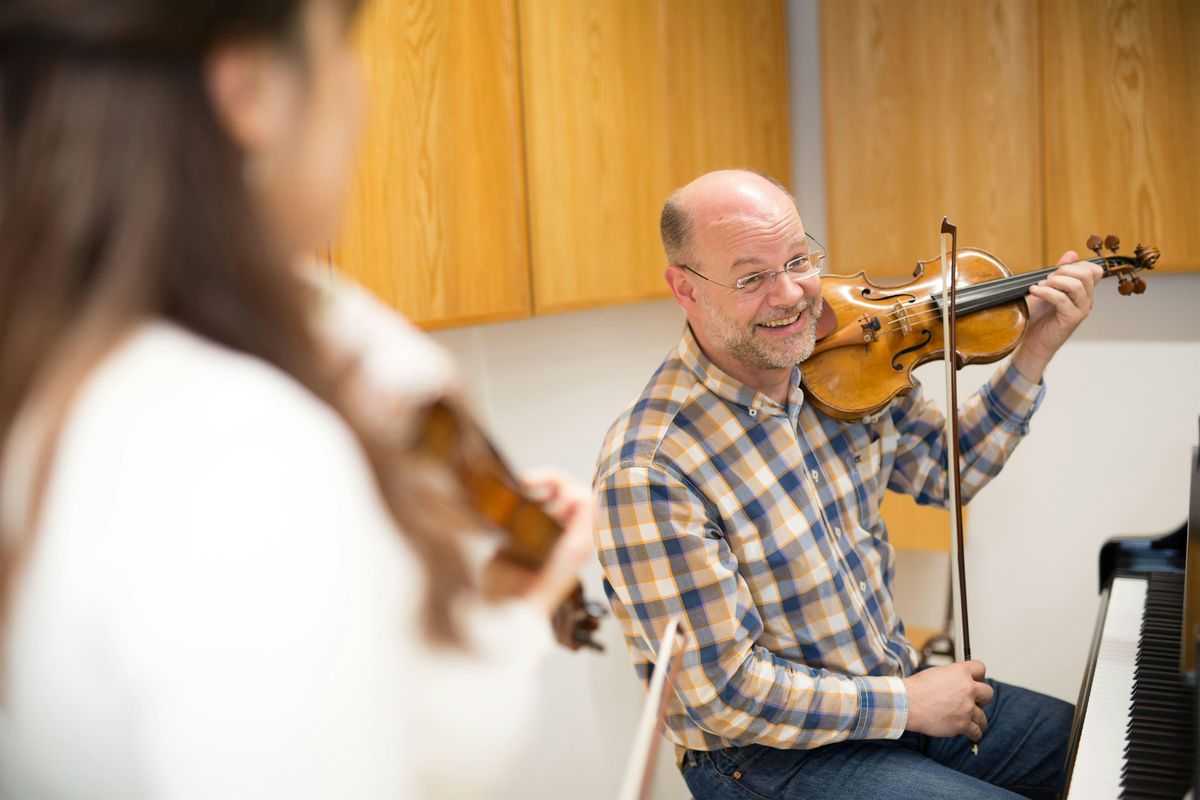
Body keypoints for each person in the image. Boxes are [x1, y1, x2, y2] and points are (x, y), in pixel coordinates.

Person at [0, 1, 590, 798]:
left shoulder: (60, 375)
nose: (360, 86)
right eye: (345, 44)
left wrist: (511, 616)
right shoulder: (233, 447)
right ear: (248, 92)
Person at [593, 169, 1101, 799]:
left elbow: (949, 473)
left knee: (1099, 749)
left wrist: (1034, 352)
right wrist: (907, 703)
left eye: (798, 259)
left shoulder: (847, 368)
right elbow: (725, 695)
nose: (791, 295)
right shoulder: (649, 468)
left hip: (893, 697)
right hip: (763, 758)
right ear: (685, 290)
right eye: (752, 277)